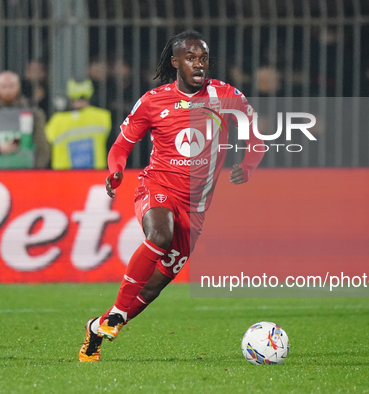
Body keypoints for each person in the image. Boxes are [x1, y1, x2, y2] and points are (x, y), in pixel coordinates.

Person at [79, 30, 264, 362]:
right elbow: (121, 146)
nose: (199, 64)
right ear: (175, 61)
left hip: (196, 210)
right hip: (157, 188)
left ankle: (99, 327)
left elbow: (256, 138)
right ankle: (117, 311)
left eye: (203, 58)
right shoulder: (153, 101)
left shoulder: (226, 96)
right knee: (159, 235)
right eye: (191, 58)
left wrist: (248, 166)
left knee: (151, 289)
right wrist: (115, 171)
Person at [45, 79, 111, 169]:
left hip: (65, 176)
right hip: (96, 175)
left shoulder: (57, 120)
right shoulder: (102, 116)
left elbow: (47, 140)